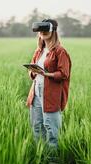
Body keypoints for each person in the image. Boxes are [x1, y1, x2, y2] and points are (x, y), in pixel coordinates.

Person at [26, 19, 72, 149]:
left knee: (51, 129)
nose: (43, 32)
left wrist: (47, 74)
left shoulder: (60, 51)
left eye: (46, 30)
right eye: (41, 30)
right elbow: (31, 72)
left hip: (51, 93)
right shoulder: (39, 51)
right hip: (36, 92)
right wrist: (33, 72)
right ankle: (40, 158)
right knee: (37, 127)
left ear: (53, 31)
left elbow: (64, 74)